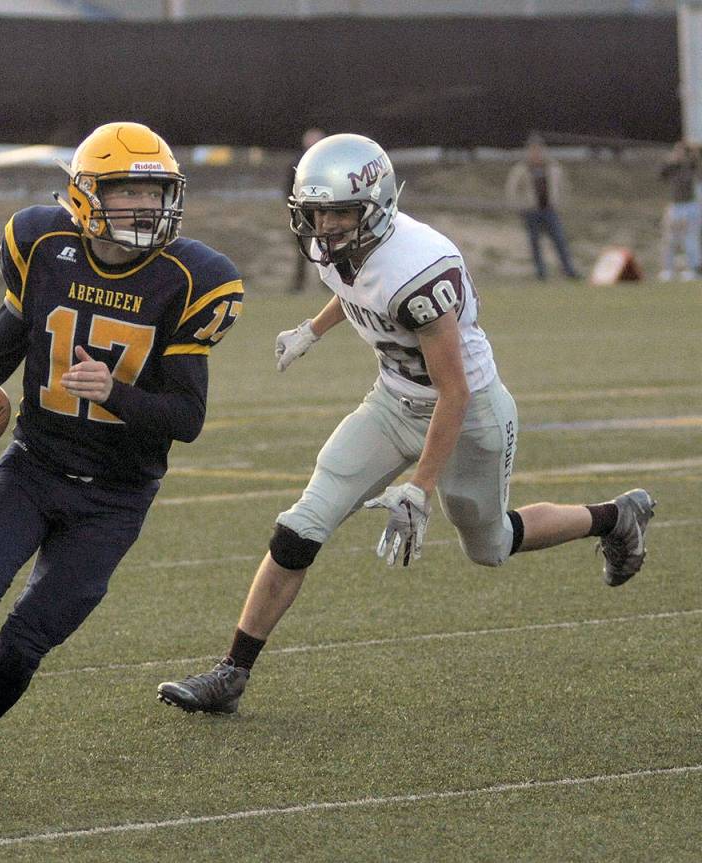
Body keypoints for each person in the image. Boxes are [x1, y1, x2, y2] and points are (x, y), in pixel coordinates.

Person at [156, 133, 655, 716]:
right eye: (317, 213)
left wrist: (419, 487)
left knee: (489, 546)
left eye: (341, 212)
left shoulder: (419, 269)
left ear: (377, 204)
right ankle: (231, 673)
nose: (327, 226)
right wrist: (312, 330)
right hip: (392, 403)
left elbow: (455, 391)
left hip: (468, 418)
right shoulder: (342, 247)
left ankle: (615, 518)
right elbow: (353, 288)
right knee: (299, 528)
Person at [0, 122, 244, 807]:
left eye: (155, 190)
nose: (145, 206)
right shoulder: (42, 244)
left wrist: (115, 391)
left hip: (115, 497)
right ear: (85, 194)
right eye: (128, 189)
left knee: (26, 641)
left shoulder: (188, 279)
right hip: (36, 465)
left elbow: (188, 419)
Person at [504, 134, 580, 280]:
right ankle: (541, 273)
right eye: (533, 150)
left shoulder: (552, 167)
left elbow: (563, 186)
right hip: (531, 211)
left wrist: (561, 202)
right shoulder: (522, 168)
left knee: (560, 240)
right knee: (535, 244)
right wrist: (519, 206)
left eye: (538, 149)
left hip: (549, 210)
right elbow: (512, 189)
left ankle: (568, 270)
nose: (536, 153)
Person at [287, 127, 327, 292]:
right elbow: (288, 188)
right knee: (302, 251)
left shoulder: (328, 163)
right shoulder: (298, 162)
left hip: (325, 212)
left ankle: (329, 284)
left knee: (328, 249)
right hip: (303, 214)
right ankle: (298, 285)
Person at [657, 140, 700, 281]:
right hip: (675, 206)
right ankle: (667, 270)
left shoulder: (692, 166)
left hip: (690, 206)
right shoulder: (673, 167)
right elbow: (661, 174)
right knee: (670, 239)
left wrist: (692, 153)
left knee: (689, 239)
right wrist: (672, 160)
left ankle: (693, 269)